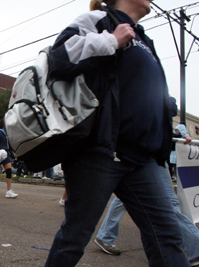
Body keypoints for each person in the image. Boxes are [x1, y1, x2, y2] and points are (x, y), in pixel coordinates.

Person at [45, 0, 191, 266]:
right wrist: (110, 40)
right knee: (74, 238)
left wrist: (168, 118)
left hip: (143, 158)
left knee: (167, 236)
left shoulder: (144, 37)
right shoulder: (99, 20)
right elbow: (59, 58)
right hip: (100, 152)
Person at [94, 165, 199, 266]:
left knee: (130, 195)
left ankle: (105, 235)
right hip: (147, 156)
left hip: (150, 156)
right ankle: (195, 249)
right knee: (168, 204)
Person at [0, 119, 18, 198]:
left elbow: (9, 146)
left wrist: (14, 156)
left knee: (9, 171)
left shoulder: (8, 133)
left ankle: (9, 191)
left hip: (5, 154)